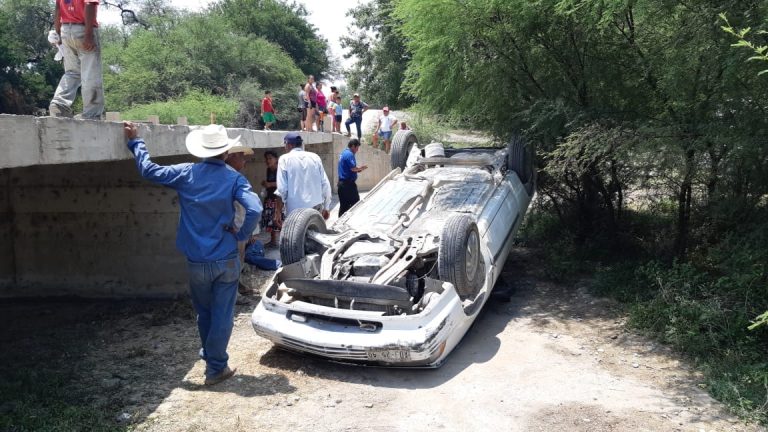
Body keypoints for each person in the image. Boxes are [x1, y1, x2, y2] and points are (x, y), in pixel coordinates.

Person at [123, 121, 261, 386]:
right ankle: (215, 367)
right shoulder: (234, 178)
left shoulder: (186, 173)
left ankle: (211, 358)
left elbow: (148, 170)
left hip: (197, 260)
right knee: (222, 314)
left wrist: (135, 142)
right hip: (226, 258)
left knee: (205, 312)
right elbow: (254, 208)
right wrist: (241, 235)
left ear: (201, 151)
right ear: (225, 152)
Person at [48, 0, 104, 120]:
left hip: (66, 30)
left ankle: (59, 103)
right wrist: (88, 35)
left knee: (72, 72)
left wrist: (58, 33)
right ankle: (92, 114)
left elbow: (58, 8)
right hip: (83, 29)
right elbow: (89, 4)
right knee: (91, 74)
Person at [274, 132, 332, 227]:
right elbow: (325, 184)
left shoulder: (284, 159)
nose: (285, 147)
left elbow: (282, 190)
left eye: (285, 144)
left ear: (289, 145)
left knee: (296, 240)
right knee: (315, 237)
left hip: (295, 211)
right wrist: (326, 207)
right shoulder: (315, 157)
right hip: (315, 209)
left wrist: (278, 213)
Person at [337, 138, 368, 217]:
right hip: (348, 185)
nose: (357, 150)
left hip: (342, 184)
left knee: (344, 205)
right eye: (357, 148)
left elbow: (349, 168)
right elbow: (353, 168)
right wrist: (361, 168)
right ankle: (352, 221)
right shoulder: (349, 154)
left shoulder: (344, 153)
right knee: (355, 203)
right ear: (353, 146)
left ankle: (340, 223)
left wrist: (358, 170)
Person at [260, 150, 284, 248]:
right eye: (266, 159)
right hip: (270, 197)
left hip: (278, 199)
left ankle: (286, 240)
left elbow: (282, 183)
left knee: (278, 219)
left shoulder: (280, 169)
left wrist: (270, 184)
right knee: (270, 220)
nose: (268, 161)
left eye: (270, 158)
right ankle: (273, 240)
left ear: (276, 159)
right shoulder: (269, 170)